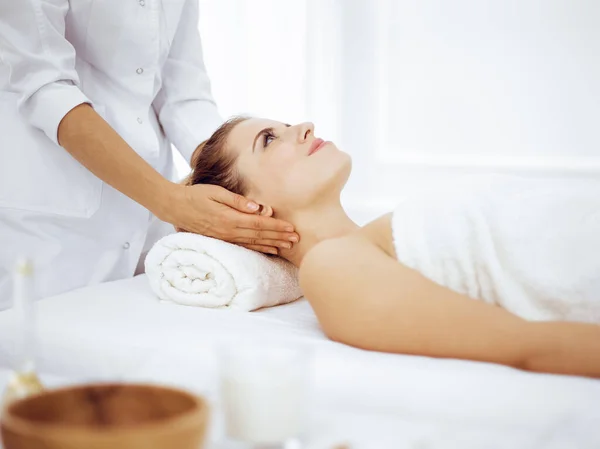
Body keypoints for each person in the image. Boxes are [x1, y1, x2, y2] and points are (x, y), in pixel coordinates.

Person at [184, 116, 600, 379]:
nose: (306, 126)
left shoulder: (374, 242)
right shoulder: (331, 269)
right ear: (246, 209)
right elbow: (528, 345)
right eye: (269, 139)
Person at [0, 1, 298, 308]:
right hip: (48, 214)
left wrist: (241, 180)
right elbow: (45, 86)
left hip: (147, 216)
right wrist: (172, 202)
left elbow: (182, 92)